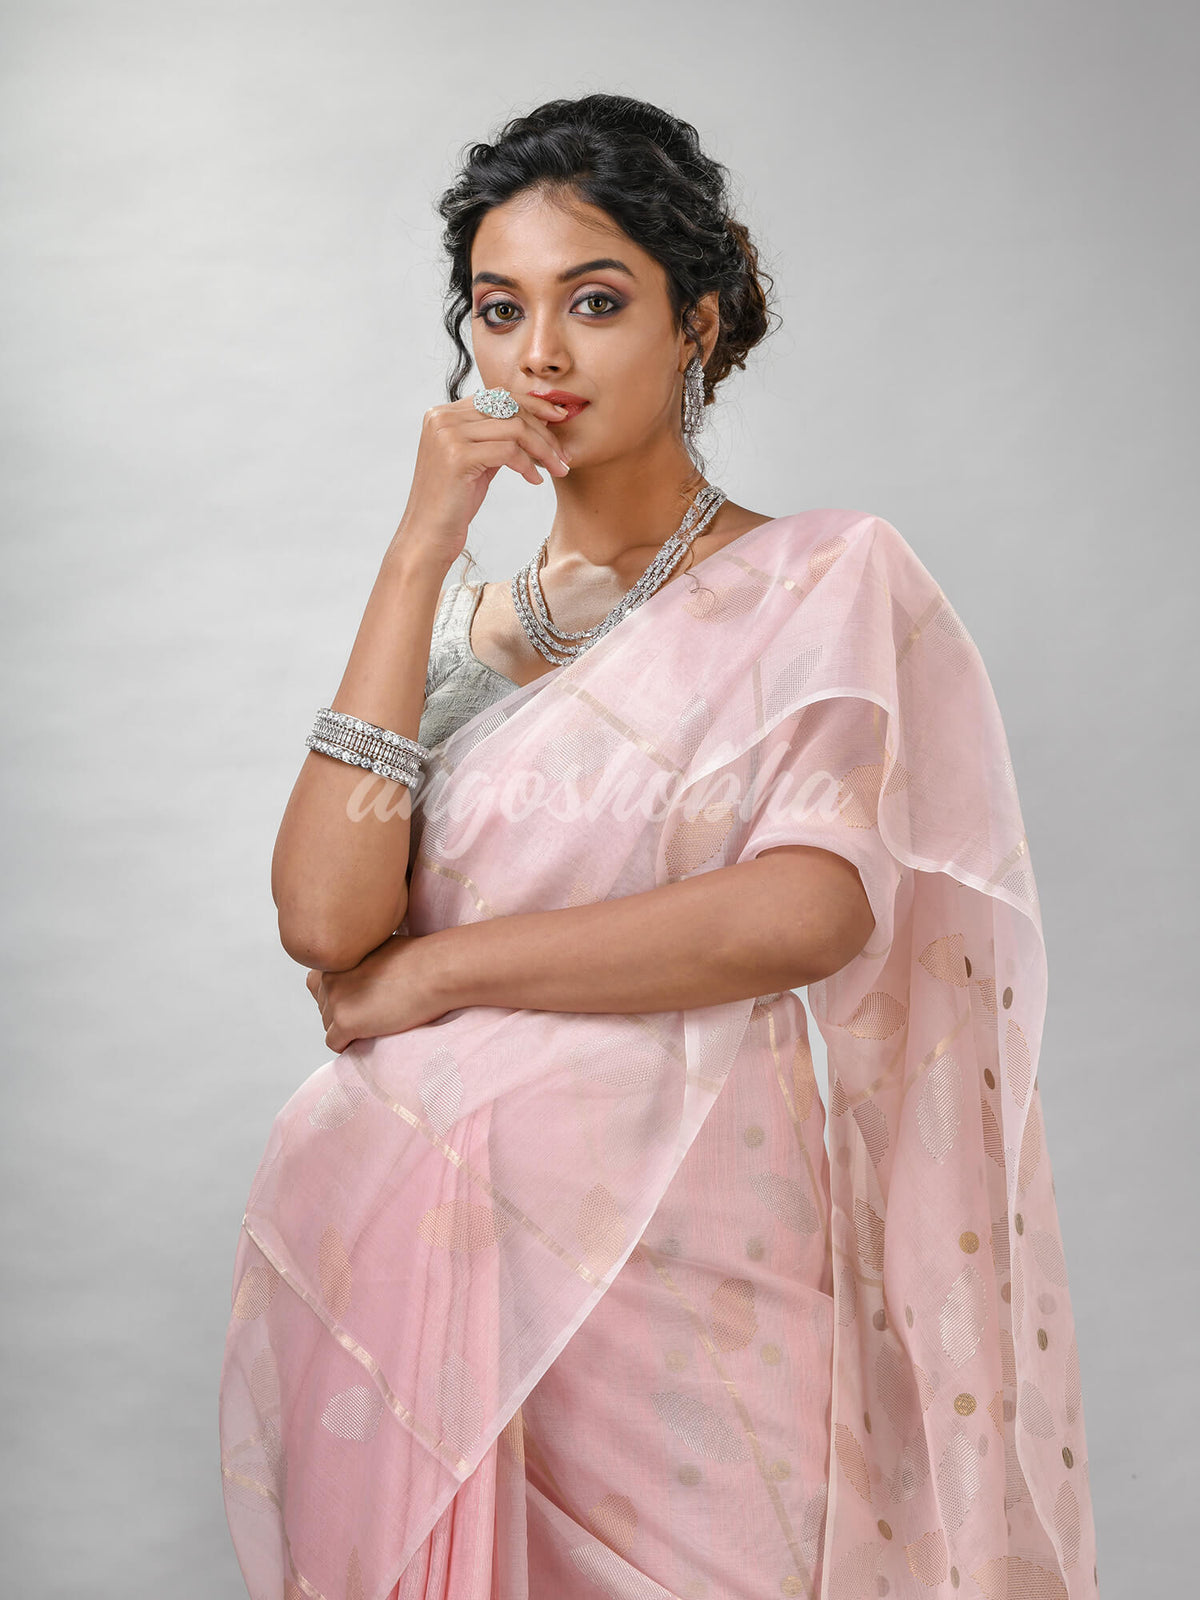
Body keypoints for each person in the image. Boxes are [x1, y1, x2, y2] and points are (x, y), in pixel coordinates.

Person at [219, 94, 1100, 1600]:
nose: (539, 356)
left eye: (596, 302)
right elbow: (322, 919)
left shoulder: (815, 579)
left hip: (700, 1280)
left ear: (699, 320)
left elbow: (806, 911)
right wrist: (420, 546)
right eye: (500, 310)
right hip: (437, 1288)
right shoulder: (458, 631)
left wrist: (436, 978)